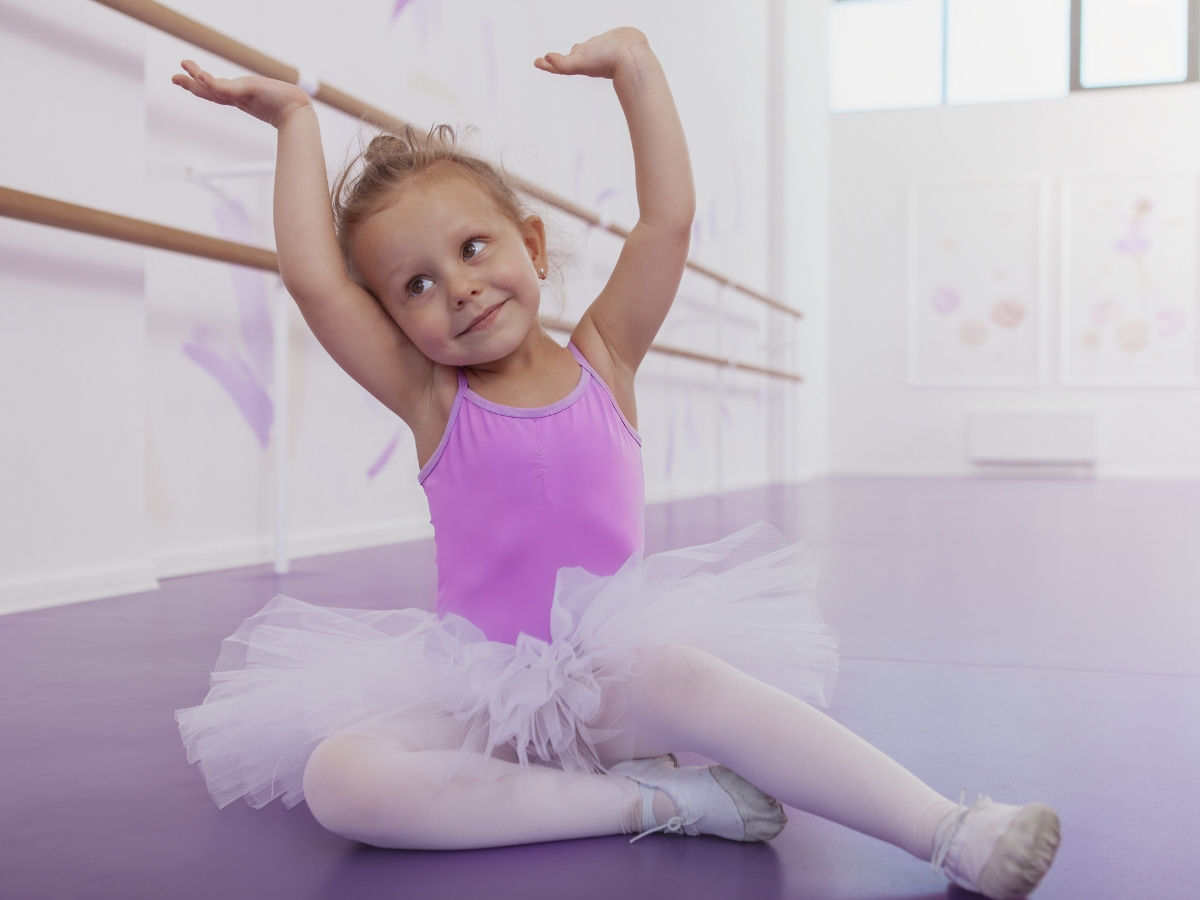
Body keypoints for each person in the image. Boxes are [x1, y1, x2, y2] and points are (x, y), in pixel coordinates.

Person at [171, 28, 1059, 899]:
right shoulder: (432, 397)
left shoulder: (606, 356)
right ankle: (651, 799)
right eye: (416, 285)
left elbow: (666, 220)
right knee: (341, 779)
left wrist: (636, 67)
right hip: (480, 701)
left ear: (534, 246)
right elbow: (317, 283)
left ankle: (951, 830)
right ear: (396, 320)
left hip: (614, 686)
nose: (459, 287)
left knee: (687, 674)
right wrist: (295, 121)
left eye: (473, 249)